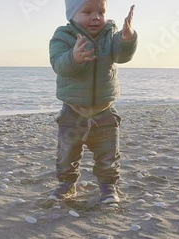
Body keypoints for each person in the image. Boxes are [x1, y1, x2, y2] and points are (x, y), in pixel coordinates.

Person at [48, 0, 137, 203]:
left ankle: (108, 187)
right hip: (73, 109)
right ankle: (66, 184)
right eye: (87, 12)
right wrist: (74, 57)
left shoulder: (110, 35)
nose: (96, 17)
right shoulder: (63, 35)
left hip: (104, 109)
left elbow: (122, 55)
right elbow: (58, 64)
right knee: (67, 153)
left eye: (101, 11)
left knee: (108, 153)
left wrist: (127, 38)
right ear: (72, 15)